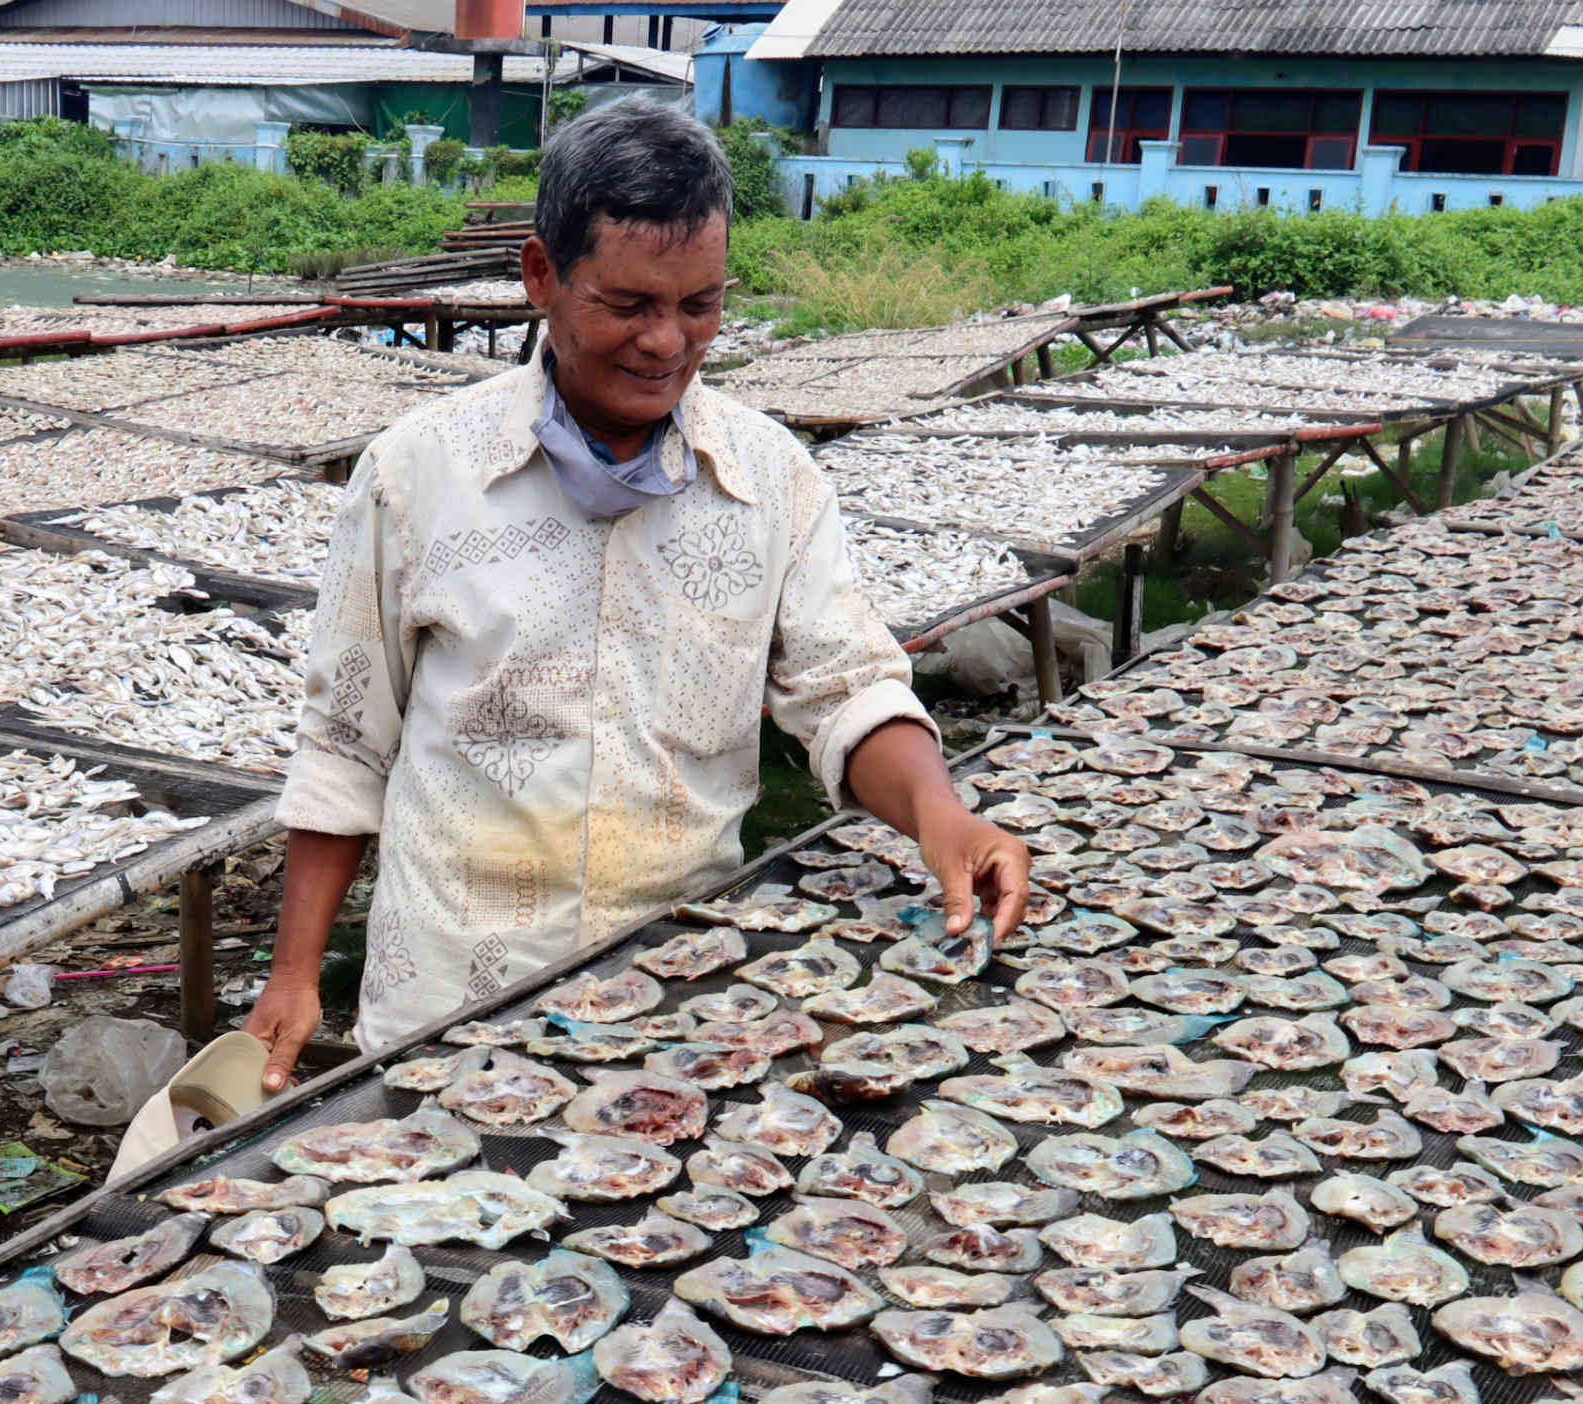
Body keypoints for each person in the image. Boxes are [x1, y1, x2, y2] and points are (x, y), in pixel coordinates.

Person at [240, 96, 1032, 1088]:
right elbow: (347, 744)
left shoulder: (768, 476)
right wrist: (294, 975)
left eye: (699, 306)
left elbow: (848, 689)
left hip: (686, 993)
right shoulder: (415, 476)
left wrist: (940, 815)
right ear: (541, 275)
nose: (665, 343)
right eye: (627, 305)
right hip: (450, 1006)